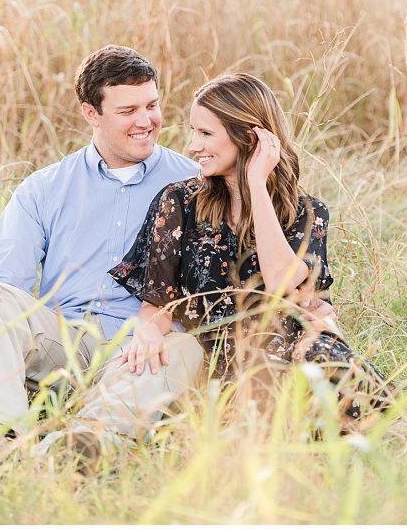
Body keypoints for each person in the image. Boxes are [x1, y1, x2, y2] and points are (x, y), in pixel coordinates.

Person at [0, 45, 207, 455]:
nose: (146, 122)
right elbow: (6, 286)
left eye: (152, 105)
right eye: (128, 111)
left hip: (147, 344)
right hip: (65, 339)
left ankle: (80, 445)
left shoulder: (197, 184)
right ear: (91, 113)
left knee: (183, 349)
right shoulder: (44, 188)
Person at [111, 72, 390, 421]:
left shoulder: (306, 212)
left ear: (249, 139)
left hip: (306, 352)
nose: (193, 146)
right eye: (193, 131)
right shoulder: (179, 203)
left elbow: (282, 284)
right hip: (231, 371)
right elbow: (158, 305)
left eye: (206, 133)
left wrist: (255, 183)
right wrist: (148, 332)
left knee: (337, 384)